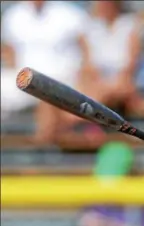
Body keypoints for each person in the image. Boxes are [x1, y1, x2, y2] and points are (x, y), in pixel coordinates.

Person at [0, 0, 89, 142]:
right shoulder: (13, 15)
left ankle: (43, 142)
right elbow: (9, 50)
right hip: (23, 77)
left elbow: (85, 47)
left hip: (62, 78)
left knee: (47, 94)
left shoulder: (69, 13)